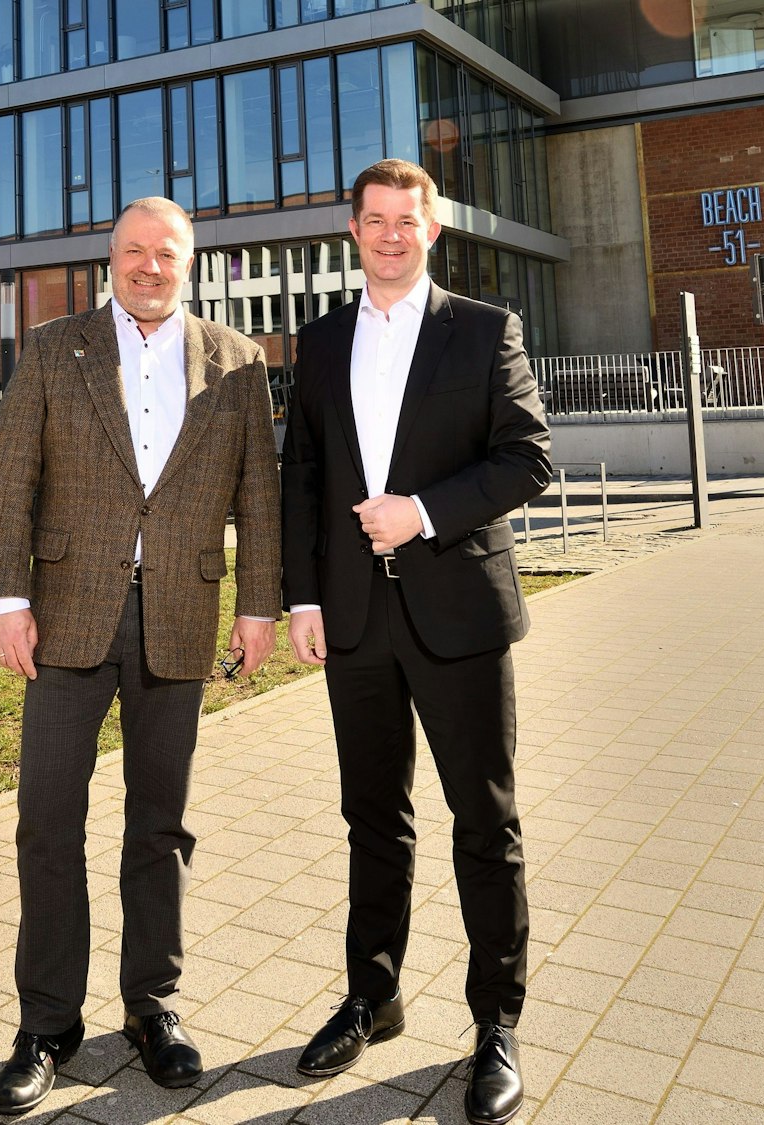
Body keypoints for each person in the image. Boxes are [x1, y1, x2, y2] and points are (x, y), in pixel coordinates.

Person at [0, 196, 281, 1115]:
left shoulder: (238, 361)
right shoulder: (52, 348)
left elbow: (259, 494)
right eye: (134, 251)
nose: (150, 266)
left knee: (161, 825)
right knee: (47, 820)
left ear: (192, 262)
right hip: (65, 617)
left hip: (180, 612)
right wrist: (5, 598)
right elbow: (9, 479)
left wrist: (258, 604)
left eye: (167, 252)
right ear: (110, 258)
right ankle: (47, 1023)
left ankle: (152, 1006)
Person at [279, 159, 551, 1125]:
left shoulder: (484, 329)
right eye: (376, 219)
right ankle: (373, 994)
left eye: (408, 220)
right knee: (372, 817)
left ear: (433, 230)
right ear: (353, 230)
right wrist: (302, 598)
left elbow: (528, 458)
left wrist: (423, 512)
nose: (392, 235)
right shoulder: (320, 341)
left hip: (460, 616)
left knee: (484, 820)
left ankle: (496, 1025)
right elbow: (302, 476)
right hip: (354, 619)